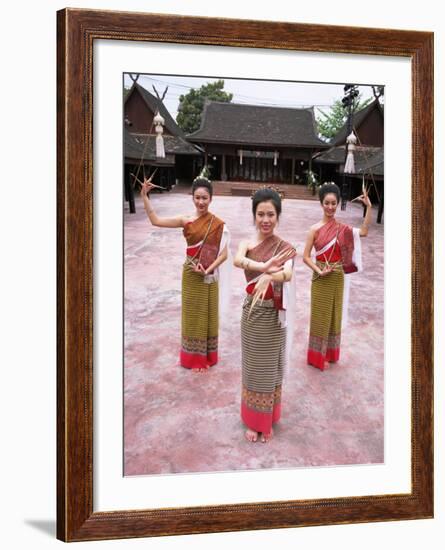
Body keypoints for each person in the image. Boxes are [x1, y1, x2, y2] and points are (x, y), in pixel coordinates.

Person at [140, 175, 229, 372]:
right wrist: (145, 196)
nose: (201, 202)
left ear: (211, 199)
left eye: (204, 198)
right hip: (190, 274)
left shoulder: (218, 224)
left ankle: (208, 356)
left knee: (208, 314)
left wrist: (208, 268)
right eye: (197, 197)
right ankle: (194, 359)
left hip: (209, 274)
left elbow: (225, 253)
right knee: (192, 315)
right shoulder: (185, 220)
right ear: (192, 198)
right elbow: (156, 220)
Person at [234, 188, 296, 443]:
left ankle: (266, 418)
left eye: (271, 214)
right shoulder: (246, 245)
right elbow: (238, 261)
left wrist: (271, 275)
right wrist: (262, 267)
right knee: (252, 369)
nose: (266, 220)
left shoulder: (285, 248)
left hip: (273, 316)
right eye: (261, 214)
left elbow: (289, 273)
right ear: (254, 216)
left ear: (278, 216)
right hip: (252, 314)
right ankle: (253, 421)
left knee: (270, 369)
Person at [303, 181, 372, 371]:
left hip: (337, 277)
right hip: (320, 278)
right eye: (327, 203)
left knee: (334, 315)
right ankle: (316, 356)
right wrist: (318, 270)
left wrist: (369, 207)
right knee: (319, 317)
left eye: (334, 203)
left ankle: (331, 354)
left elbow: (364, 231)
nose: (330, 207)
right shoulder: (314, 229)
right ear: (321, 203)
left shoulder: (343, 229)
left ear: (338, 203)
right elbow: (306, 257)